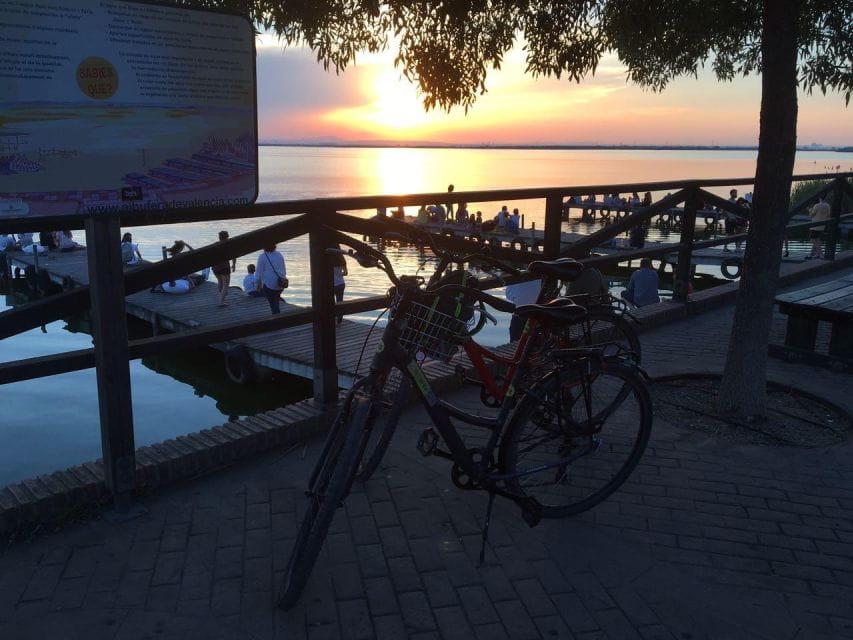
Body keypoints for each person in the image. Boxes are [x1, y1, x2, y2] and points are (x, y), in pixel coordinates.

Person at [255, 244, 287, 314]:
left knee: (273, 304)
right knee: (276, 300)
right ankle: (277, 315)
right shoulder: (279, 255)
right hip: (281, 283)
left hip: (270, 285)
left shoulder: (262, 257)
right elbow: (284, 270)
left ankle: (276, 318)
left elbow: (258, 273)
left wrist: (257, 285)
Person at [212, 230, 236, 307]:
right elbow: (233, 255)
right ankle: (221, 302)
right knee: (226, 284)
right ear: (227, 237)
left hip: (215, 267)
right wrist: (234, 264)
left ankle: (222, 299)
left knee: (220, 282)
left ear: (219, 237)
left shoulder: (215, 245)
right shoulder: (228, 245)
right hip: (224, 266)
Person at [332, 245, 348, 324]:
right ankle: (339, 321)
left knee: (331, 304)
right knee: (340, 302)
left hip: (331, 285)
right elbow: (345, 273)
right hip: (341, 284)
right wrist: (339, 274)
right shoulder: (342, 259)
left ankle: (331, 319)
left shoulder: (328, 260)